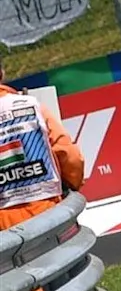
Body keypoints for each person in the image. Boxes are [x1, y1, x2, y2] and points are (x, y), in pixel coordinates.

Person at [0, 82, 87, 237]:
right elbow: (69, 155)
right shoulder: (32, 105)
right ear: (1, 73)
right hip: (47, 211)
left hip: (4, 230)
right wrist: (72, 186)